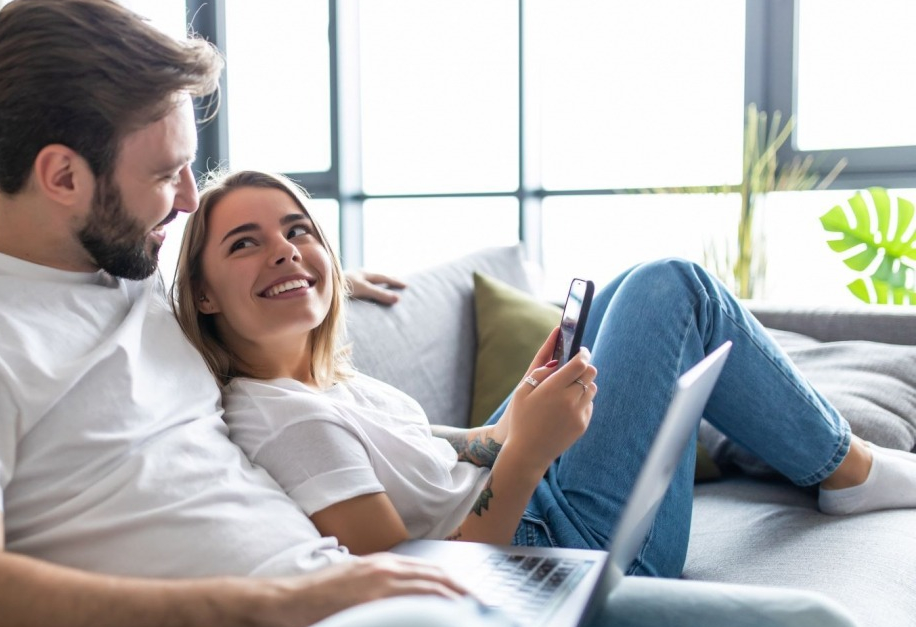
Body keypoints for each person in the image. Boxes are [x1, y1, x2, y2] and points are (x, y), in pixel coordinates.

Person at [0, 2, 864, 626]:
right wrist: (272, 605)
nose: (188, 201)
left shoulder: (135, 283)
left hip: (393, 595)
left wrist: (324, 277)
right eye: (169, 176)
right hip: (315, 610)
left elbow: (242, 296)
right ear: (59, 174)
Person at [171, 170, 916, 613]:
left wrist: (512, 417)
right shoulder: (284, 420)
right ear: (202, 294)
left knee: (625, 289)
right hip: (553, 548)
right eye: (246, 243)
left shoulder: (319, 377)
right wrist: (525, 454)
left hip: (519, 491)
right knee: (673, 286)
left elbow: (449, 451)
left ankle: (813, 455)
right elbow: (412, 584)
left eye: (298, 231)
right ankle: (852, 471)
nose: (284, 250)